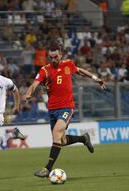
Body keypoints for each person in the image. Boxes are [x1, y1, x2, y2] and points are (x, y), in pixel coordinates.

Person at [25, 40, 106, 178]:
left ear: (60, 54)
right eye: (50, 57)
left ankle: (47, 168)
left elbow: (80, 71)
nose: (53, 59)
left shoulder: (68, 64)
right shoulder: (45, 70)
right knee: (61, 141)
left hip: (67, 108)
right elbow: (35, 83)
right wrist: (29, 92)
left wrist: (96, 78)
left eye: (55, 57)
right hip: (52, 110)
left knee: (56, 133)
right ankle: (83, 139)